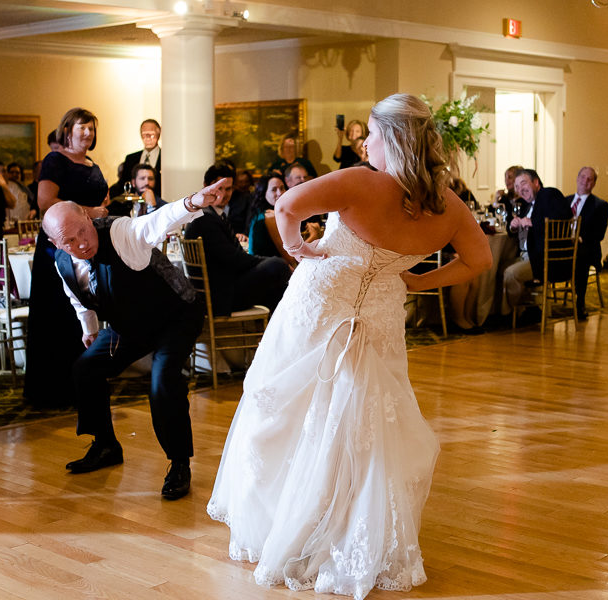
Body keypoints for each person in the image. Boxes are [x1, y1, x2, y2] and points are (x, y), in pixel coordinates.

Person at [207, 93, 492, 599]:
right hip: (380, 315)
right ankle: (348, 534)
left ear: (393, 140)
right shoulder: (445, 204)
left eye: (372, 138)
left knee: (291, 415)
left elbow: (285, 205)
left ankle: (286, 526)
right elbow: (478, 259)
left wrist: (298, 247)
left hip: (318, 308)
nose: (366, 146)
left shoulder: (362, 182)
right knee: (364, 427)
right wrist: (414, 281)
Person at [43, 180, 227, 499]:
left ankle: (179, 464)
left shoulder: (121, 232)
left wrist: (194, 202)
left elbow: (157, 220)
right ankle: (105, 445)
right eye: (68, 241)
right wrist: (89, 329)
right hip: (129, 325)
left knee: (163, 381)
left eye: (82, 233)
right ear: (54, 242)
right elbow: (76, 297)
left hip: (175, 315)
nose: (81, 244)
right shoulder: (62, 261)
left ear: (89, 219)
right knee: (86, 369)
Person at [24, 108, 109, 408]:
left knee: (84, 309)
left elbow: (103, 200)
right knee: (58, 312)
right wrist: (89, 211)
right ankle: (53, 390)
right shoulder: (55, 160)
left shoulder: (92, 163)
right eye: (82, 128)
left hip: (88, 243)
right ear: (68, 130)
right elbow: (45, 201)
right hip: (59, 246)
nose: (88, 134)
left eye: (92, 129)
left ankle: (83, 384)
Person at [183, 162, 290, 316]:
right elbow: (235, 260)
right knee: (277, 265)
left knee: (276, 279)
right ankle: (278, 332)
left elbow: (236, 257)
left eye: (228, 189)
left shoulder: (213, 214)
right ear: (206, 186)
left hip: (223, 289)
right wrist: (266, 262)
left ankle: (275, 332)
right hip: (219, 297)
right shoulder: (205, 218)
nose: (224, 194)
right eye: (218, 188)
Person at [501, 168, 570, 316]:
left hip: (545, 259)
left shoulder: (549, 194)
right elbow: (514, 224)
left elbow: (563, 216)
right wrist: (512, 226)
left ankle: (508, 315)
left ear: (536, 182)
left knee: (510, 274)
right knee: (498, 269)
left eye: (523, 183)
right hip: (529, 255)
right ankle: (524, 310)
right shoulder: (526, 204)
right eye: (517, 186)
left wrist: (533, 222)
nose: (520, 189)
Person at [567, 166, 608, 319]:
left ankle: (580, 303)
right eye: (583, 177)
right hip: (565, 246)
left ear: (594, 184)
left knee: (581, 256)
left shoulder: (600, 205)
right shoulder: (566, 201)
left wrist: (580, 238)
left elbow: (599, 234)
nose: (585, 181)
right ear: (577, 179)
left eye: (590, 179)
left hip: (587, 248)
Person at [247, 171, 295, 266]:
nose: (280, 193)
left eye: (282, 188)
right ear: (263, 193)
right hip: (265, 273)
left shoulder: (262, 213)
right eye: (274, 189)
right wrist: (314, 235)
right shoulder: (270, 216)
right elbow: (291, 258)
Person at [121, 119, 162, 195]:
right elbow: (122, 184)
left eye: (151, 134)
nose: (148, 137)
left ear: (159, 134)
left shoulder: (165, 158)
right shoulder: (130, 159)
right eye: (144, 134)